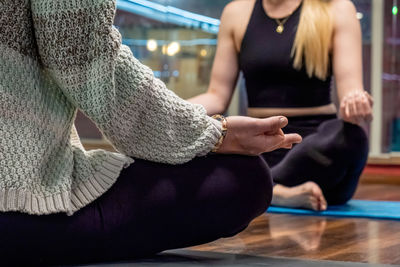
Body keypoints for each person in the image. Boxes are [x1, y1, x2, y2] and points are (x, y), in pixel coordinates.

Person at [0, 0, 303, 265]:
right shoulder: (237, 12)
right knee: (245, 179)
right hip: (14, 199)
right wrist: (212, 132)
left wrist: (206, 131)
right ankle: (284, 186)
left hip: (310, 129)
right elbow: (79, 54)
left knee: (344, 138)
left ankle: (287, 184)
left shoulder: (330, 11)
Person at [189, 0, 373, 211]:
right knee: (211, 141)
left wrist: (356, 103)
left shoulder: (337, 8)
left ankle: (263, 186)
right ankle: (275, 189)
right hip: (259, 143)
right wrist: (173, 108)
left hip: (318, 151)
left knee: (353, 137)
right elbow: (216, 96)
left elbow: (351, 91)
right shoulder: (235, 13)